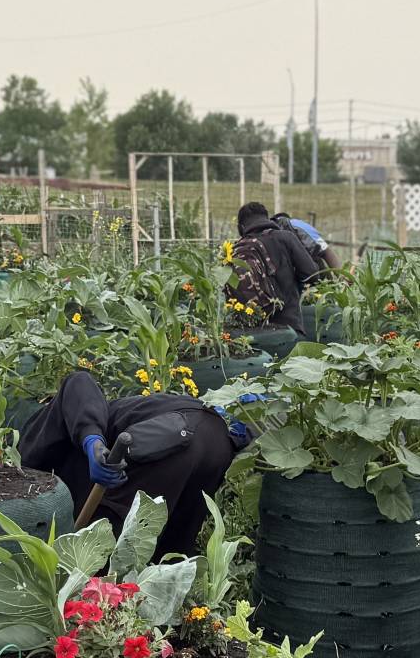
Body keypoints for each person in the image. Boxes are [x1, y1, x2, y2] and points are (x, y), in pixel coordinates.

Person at [19, 370, 250, 561]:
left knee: (105, 546)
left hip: (169, 437)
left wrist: (92, 441)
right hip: (218, 443)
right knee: (172, 548)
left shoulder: (43, 440)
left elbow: (79, 381)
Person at [231, 202, 323, 334]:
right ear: (267, 219)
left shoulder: (234, 251)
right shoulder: (285, 238)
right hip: (287, 328)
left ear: (241, 228)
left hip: (250, 332)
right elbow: (312, 275)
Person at [273, 210, 343, 271]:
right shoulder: (298, 224)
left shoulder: (296, 225)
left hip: (315, 275)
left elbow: (325, 250)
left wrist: (343, 278)